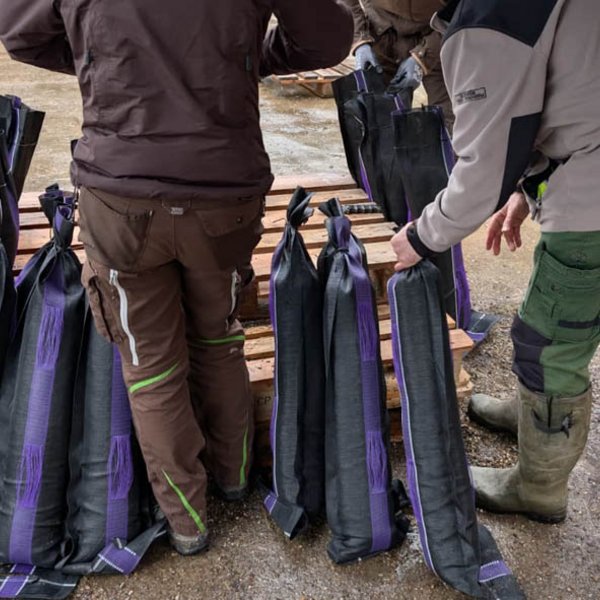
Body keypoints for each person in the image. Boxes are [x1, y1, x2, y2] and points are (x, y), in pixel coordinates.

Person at [0, 1, 353, 555]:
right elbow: (326, 38)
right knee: (218, 337)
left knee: (152, 365)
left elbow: (20, 33)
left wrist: (109, 61)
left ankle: (188, 523)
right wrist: (244, 57)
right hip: (223, 196)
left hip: (120, 201)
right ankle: (234, 479)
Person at [390, 0, 600, 523]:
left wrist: (422, 235)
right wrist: (529, 194)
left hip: (593, 189)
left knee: (551, 344)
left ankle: (539, 488)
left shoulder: (488, 21)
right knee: (548, 310)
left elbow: (483, 169)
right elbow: (570, 87)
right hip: (586, 161)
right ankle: (532, 415)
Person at [344, 0, 453, 129]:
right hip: (382, 33)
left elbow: (462, 9)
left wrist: (424, 56)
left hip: (437, 32)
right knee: (377, 123)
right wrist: (359, 40)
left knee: (449, 123)